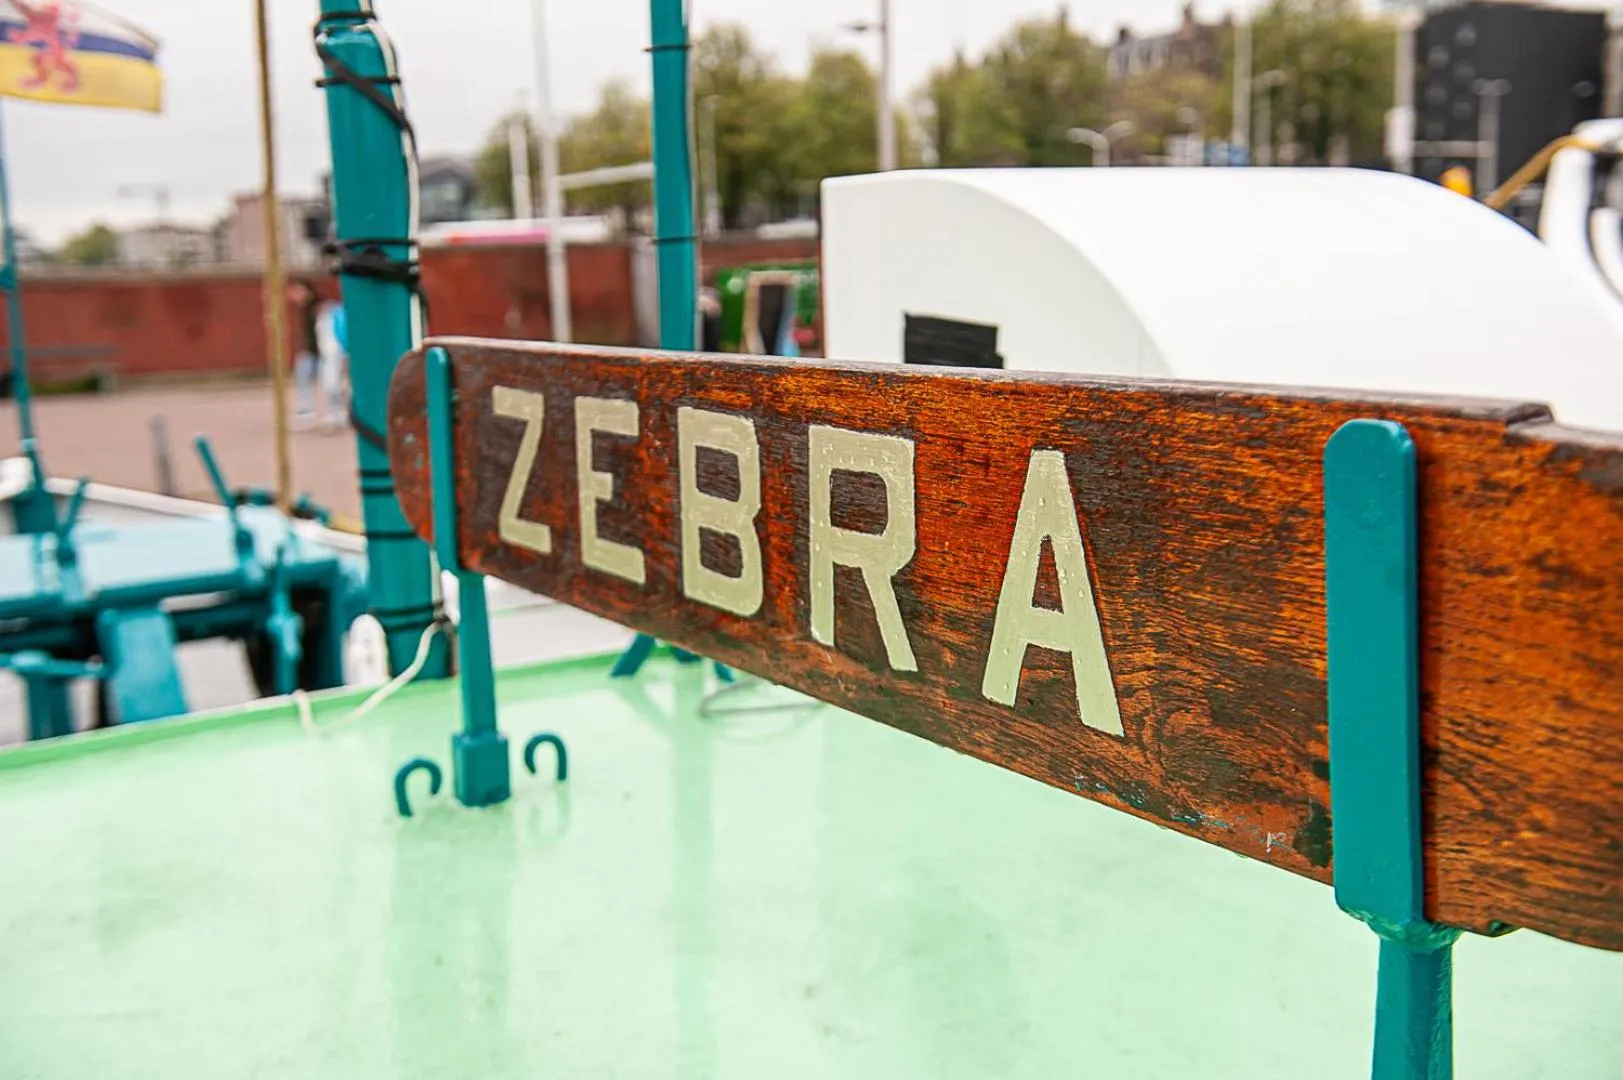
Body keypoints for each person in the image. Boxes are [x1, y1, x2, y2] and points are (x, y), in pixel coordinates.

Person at [314, 296, 350, 432]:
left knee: (335, 384)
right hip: (328, 355)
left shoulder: (335, 316)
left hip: (336, 354)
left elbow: (339, 335)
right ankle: (336, 413)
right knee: (331, 385)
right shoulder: (325, 319)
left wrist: (343, 350)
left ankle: (341, 413)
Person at [288, 282, 321, 430]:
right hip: (310, 352)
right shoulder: (306, 309)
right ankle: (306, 410)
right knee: (302, 379)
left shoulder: (318, 307)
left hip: (322, 352)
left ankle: (336, 412)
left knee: (332, 384)